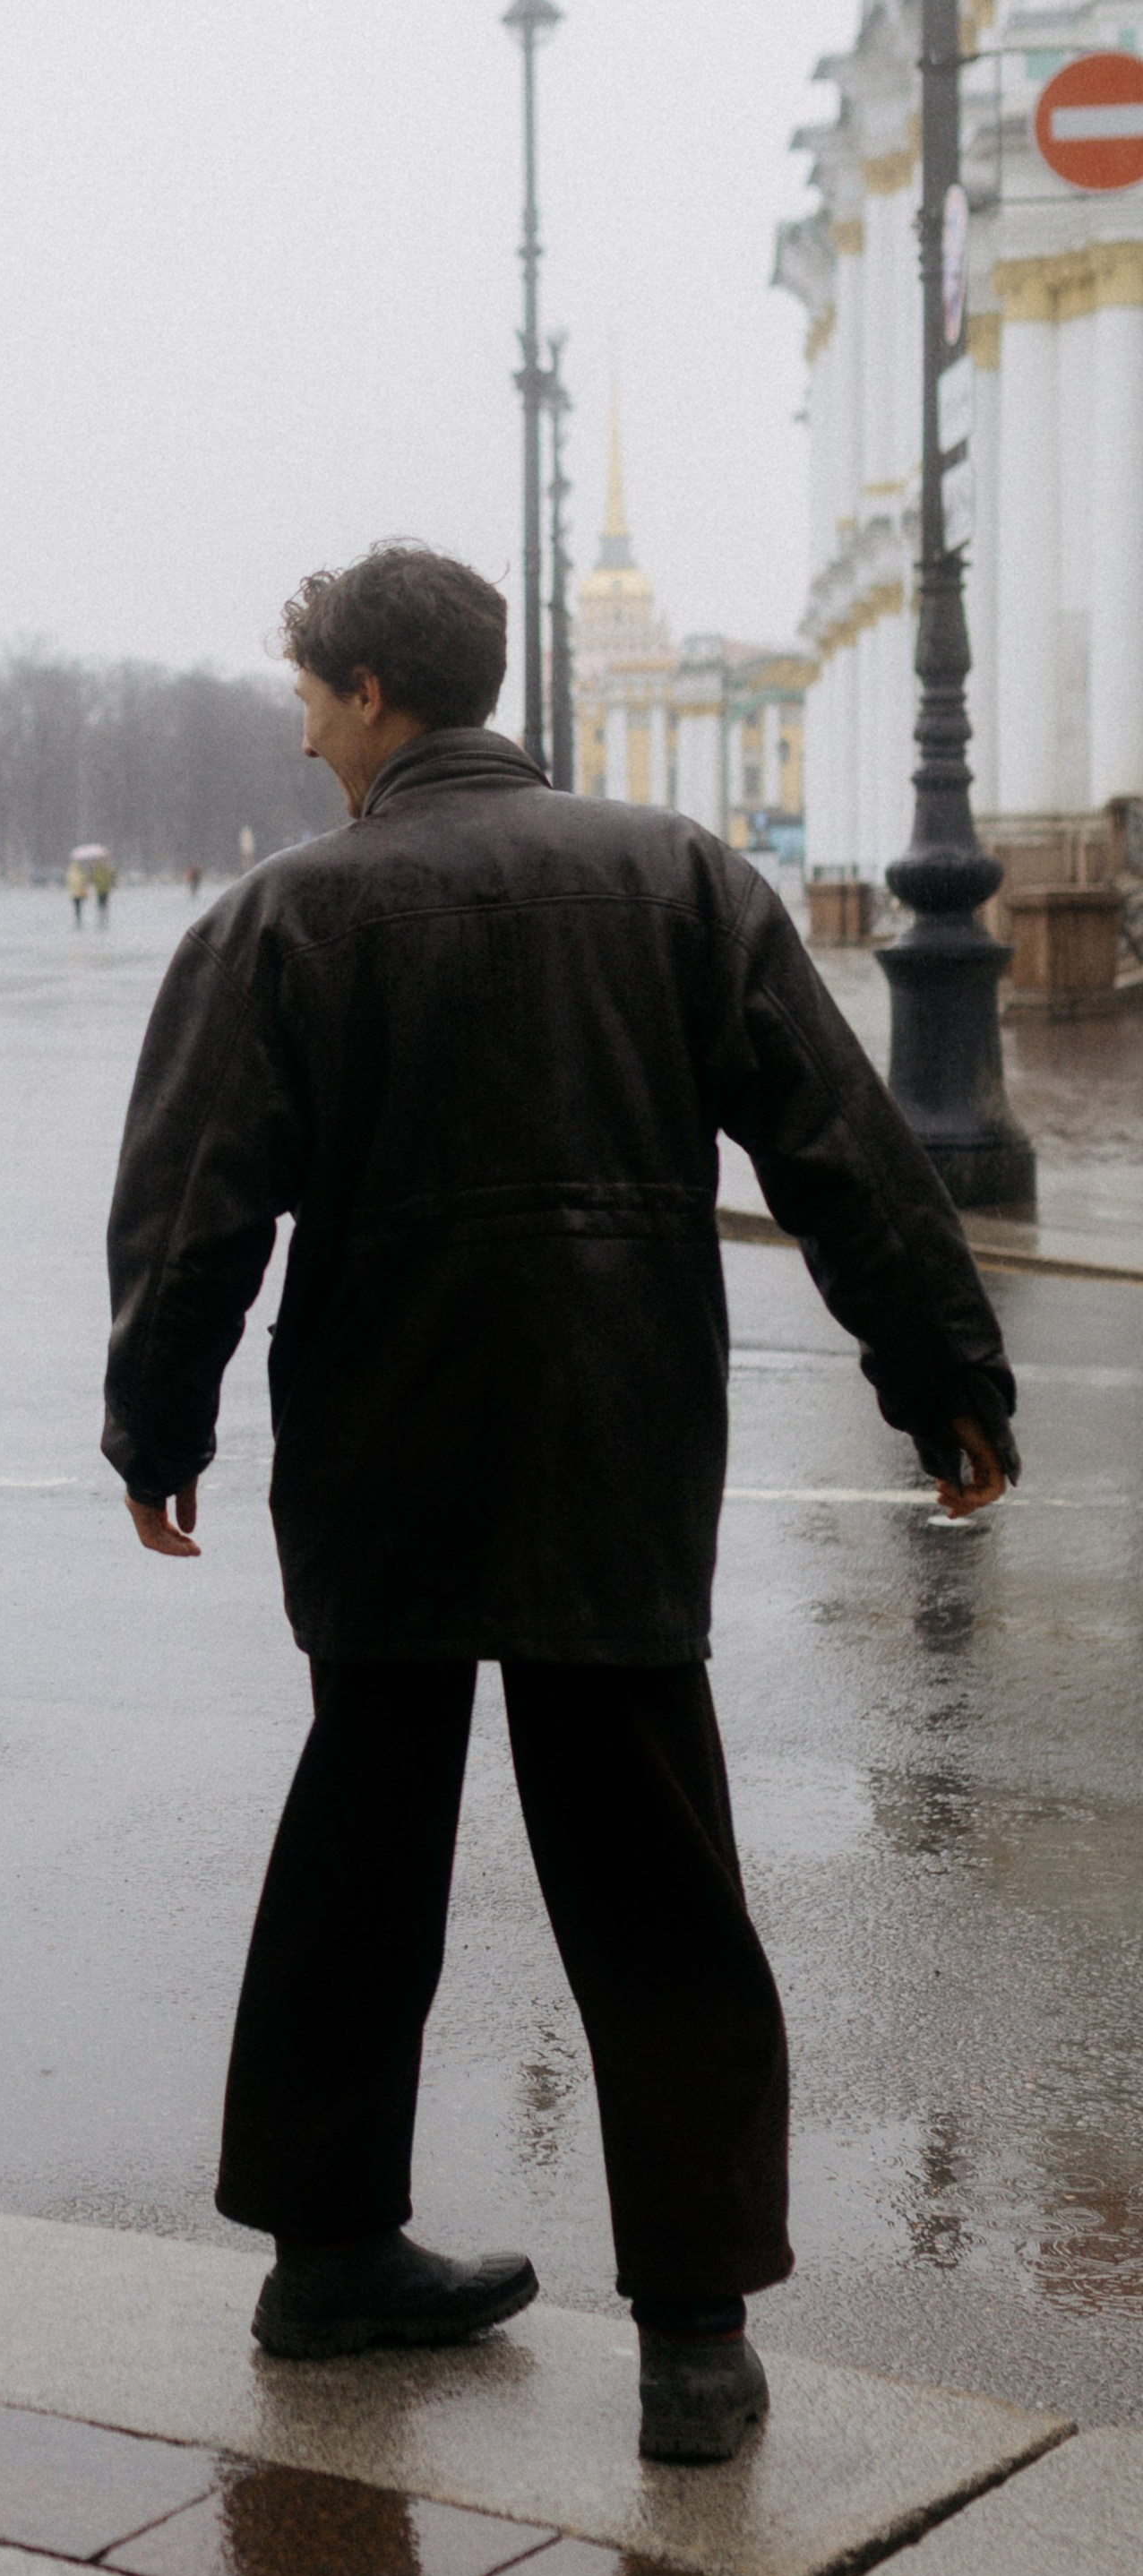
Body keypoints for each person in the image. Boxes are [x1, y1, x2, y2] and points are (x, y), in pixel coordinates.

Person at [101, 542, 1016, 2467]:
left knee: (360, 1849)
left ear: (363, 697)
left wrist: (155, 1419)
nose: (293, 730)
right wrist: (940, 1375)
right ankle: (694, 2333)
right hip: (615, 1437)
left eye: (304, 695)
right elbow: (842, 1149)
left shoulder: (281, 919)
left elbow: (196, 1209)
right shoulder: (672, 876)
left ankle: (326, 2249)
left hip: (379, 1448)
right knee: (654, 1872)